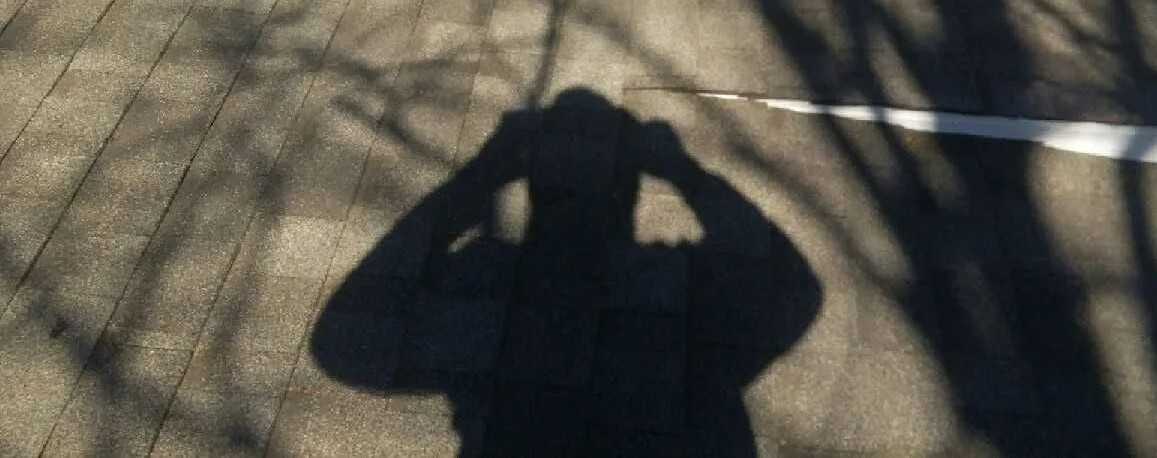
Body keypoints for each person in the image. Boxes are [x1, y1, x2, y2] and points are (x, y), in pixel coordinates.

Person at [312, 87, 820, 455]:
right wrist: (683, 171)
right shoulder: (666, 286)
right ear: (628, 195)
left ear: (533, 192)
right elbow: (792, 285)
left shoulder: (484, 298)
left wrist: (486, 170)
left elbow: (346, 337)